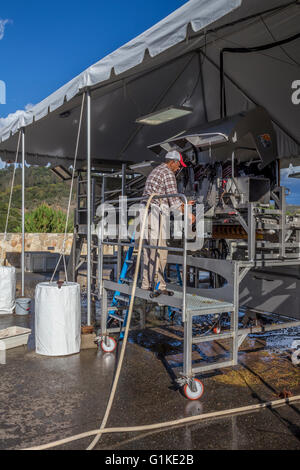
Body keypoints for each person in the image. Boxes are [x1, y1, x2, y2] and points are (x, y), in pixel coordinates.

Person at [141, 150, 195, 294]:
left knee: (148, 251)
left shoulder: (156, 170)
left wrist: (184, 203)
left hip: (145, 211)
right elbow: (175, 203)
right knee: (160, 251)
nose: (178, 169)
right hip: (155, 213)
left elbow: (170, 198)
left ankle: (146, 284)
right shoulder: (168, 173)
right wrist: (189, 213)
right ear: (172, 162)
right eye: (178, 165)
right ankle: (160, 286)